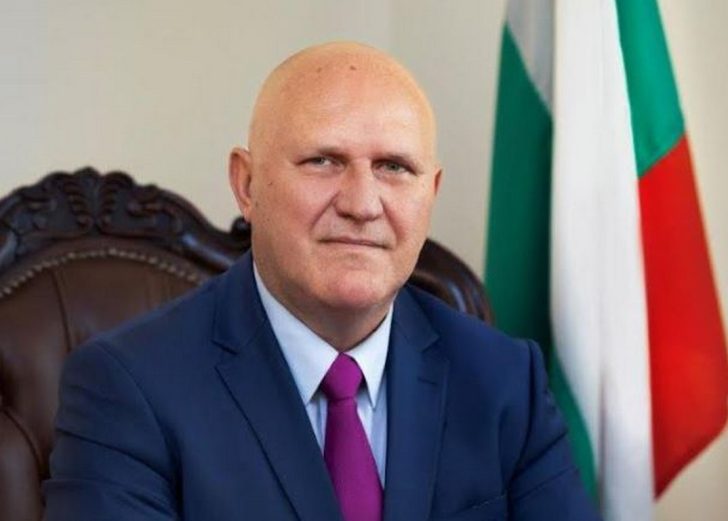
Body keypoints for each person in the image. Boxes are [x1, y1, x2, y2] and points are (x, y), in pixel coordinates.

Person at [43, 42, 600, 520]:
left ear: (430, 193)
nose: (362, 204)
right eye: (323, 161)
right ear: (247, 184)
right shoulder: (127, 388)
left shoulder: (506, 382)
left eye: (394, 167)